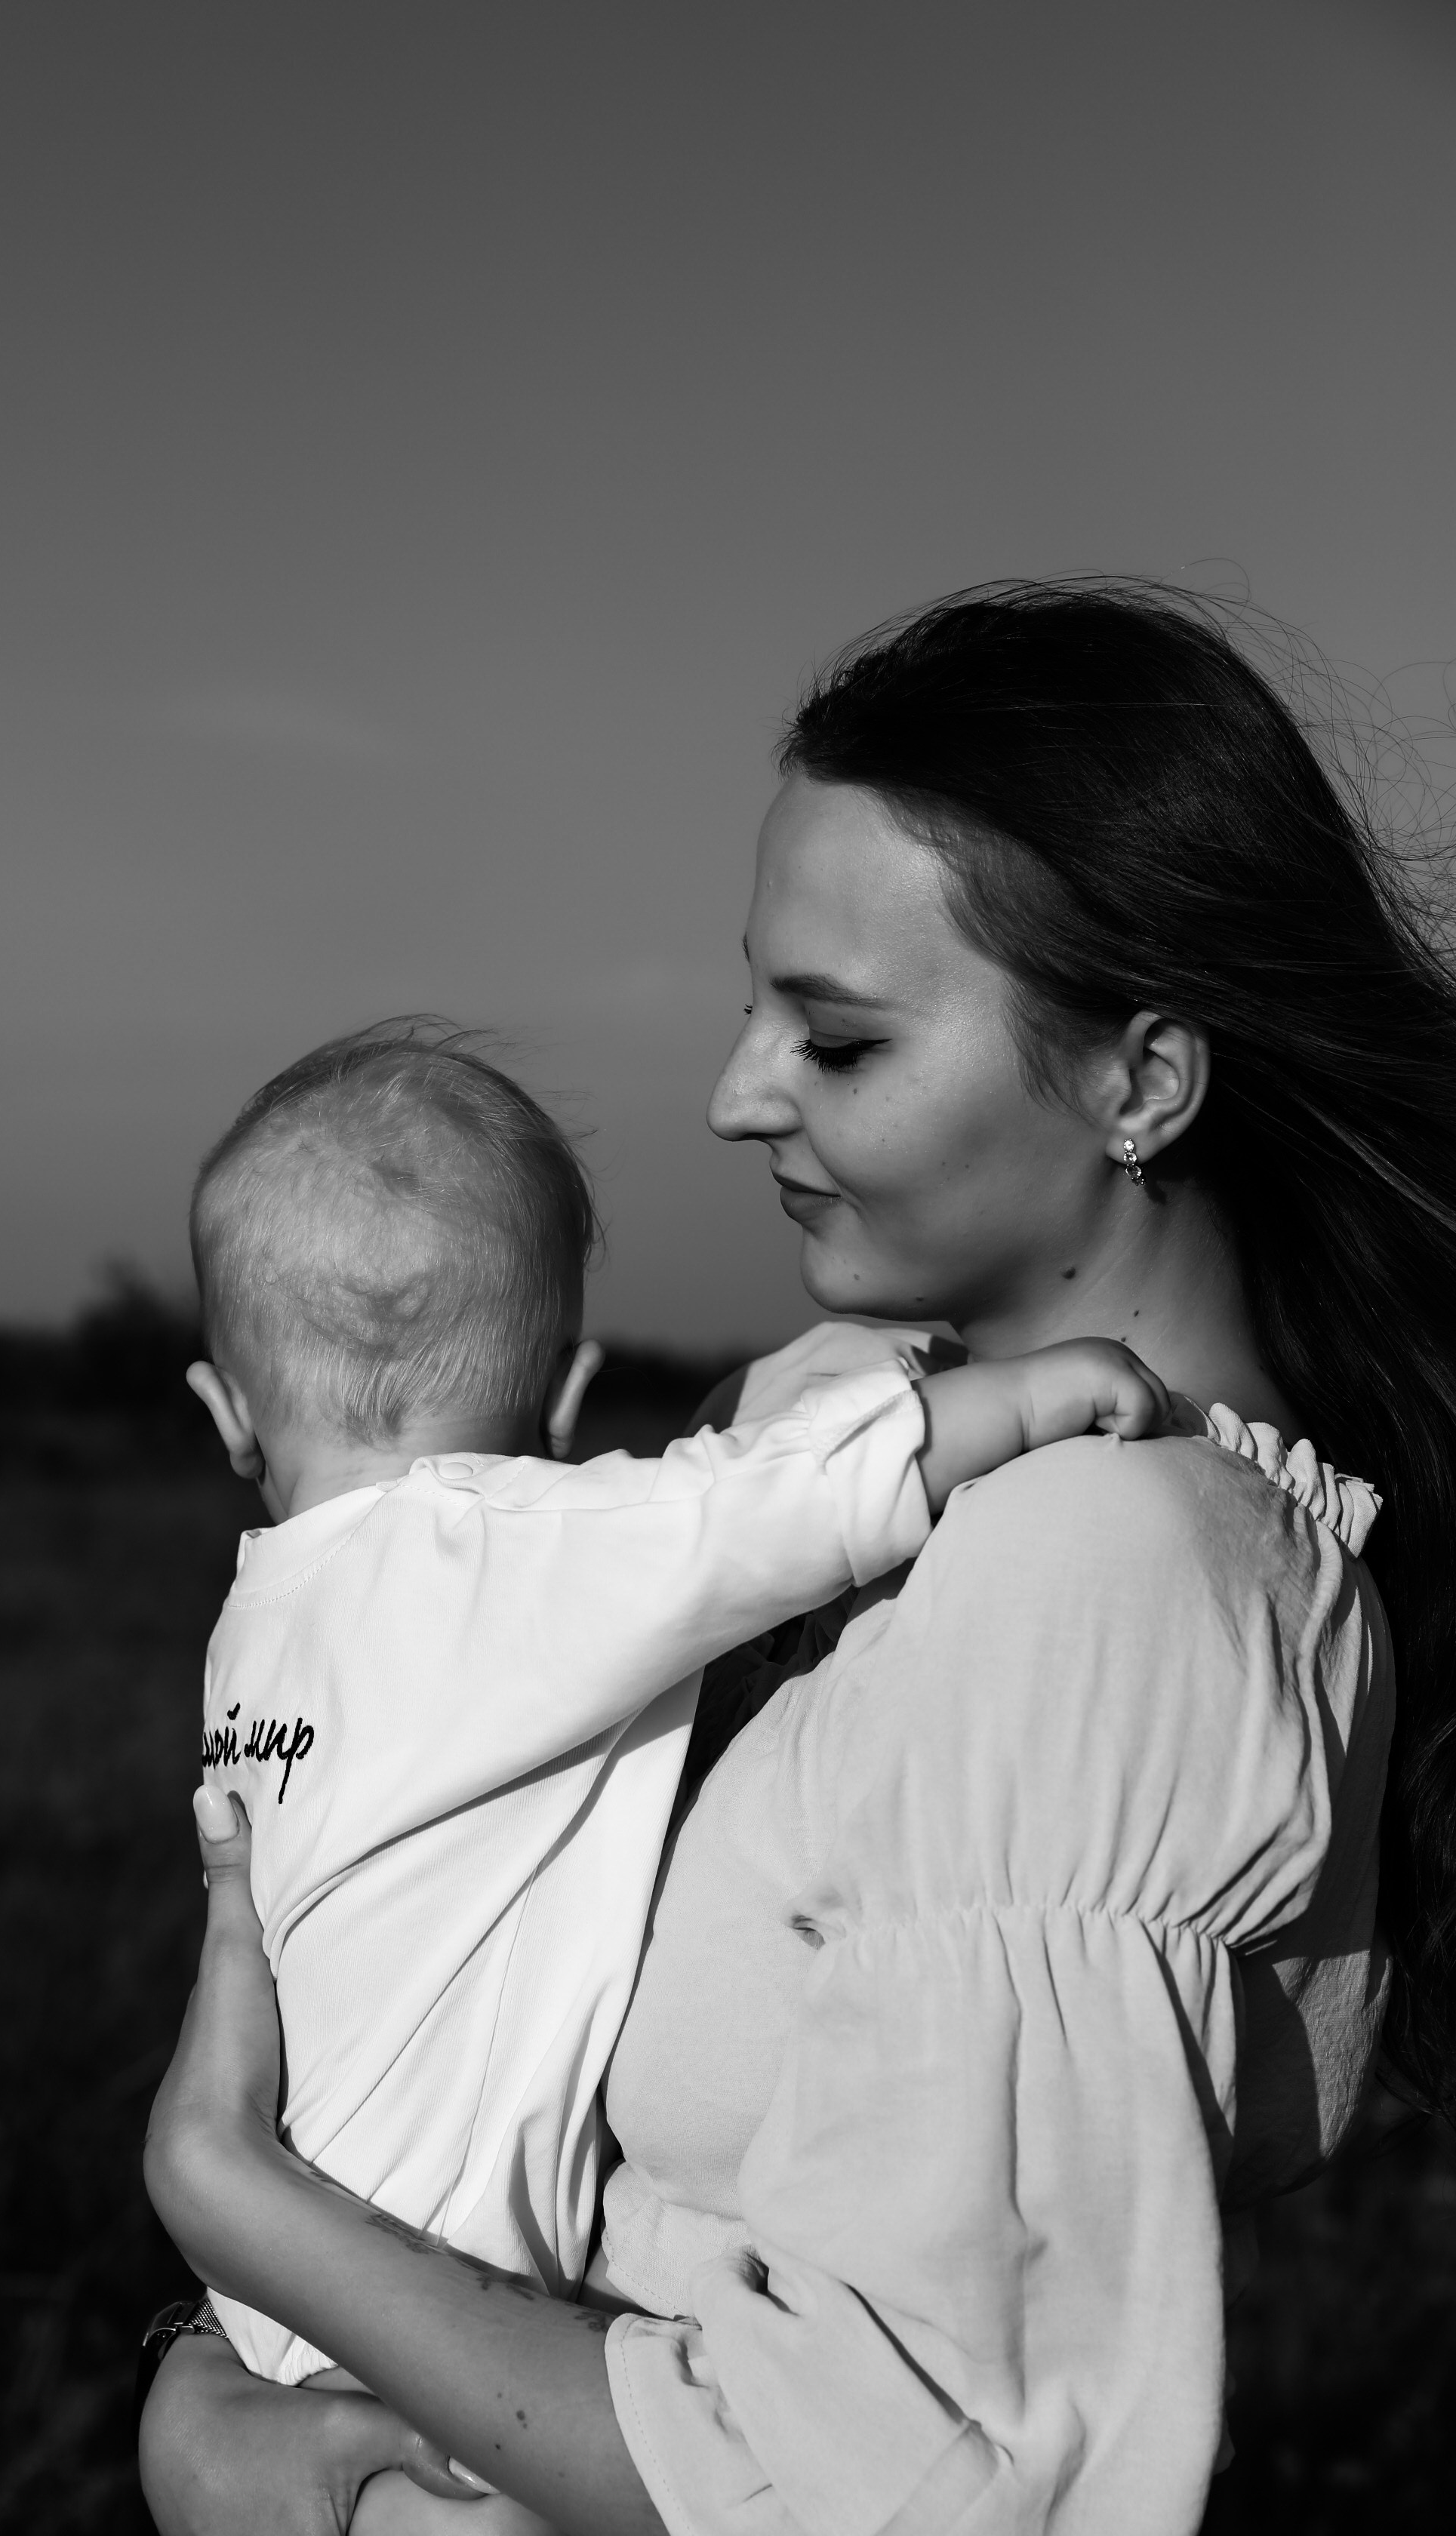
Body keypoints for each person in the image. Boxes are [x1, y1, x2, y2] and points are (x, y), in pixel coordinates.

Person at [140, 583, 1456, 2536]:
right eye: (757, 1003)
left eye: (834, 1042)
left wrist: (233, 2216)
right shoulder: (834, 1415)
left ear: (1143, 1082)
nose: (734, 1093)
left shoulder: (1118, 1589)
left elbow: (886, 2487)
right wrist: (214, 2397)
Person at [180, 1021, 1170, 2392]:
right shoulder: (501, 1555)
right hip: (431, 2295)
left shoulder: (257, 1625)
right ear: (574, 1395)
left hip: (268, 2287)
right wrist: (1026, 1397)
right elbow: (765, 1504)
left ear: (227, 1413)